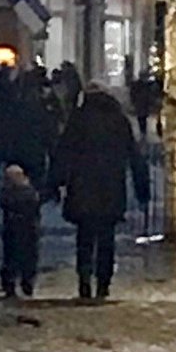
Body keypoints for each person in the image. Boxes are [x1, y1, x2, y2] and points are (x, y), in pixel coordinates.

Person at [53, 82, 145, 303]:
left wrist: (56, 182)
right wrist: (142, 188)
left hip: (82, 187)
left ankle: (84, 282)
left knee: (84, 238)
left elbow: (64, 152)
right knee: (106, 238)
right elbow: (134, 156)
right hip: (111, 188)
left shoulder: (79, 119)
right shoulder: (118, 121)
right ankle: (104, 283)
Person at [0, 161, 42, 298]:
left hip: (11, 229)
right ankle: (27, 283)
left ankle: (10, 284)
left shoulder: (6, 194)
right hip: (29, 230)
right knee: (29, 257)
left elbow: (3, 204)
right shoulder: (31, 193)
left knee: (10, 257)